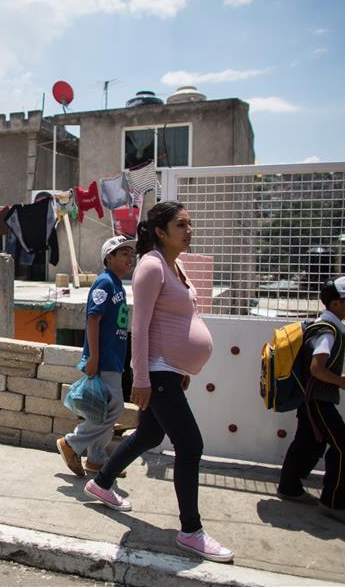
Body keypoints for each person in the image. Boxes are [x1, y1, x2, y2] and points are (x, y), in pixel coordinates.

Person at [82, 201, 234, 564]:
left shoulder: (175, 265)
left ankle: (101, 483)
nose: (189, 230)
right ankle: (191, 531)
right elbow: (141, 325)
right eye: (181, 225)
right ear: (161, 232)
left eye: (190, 224)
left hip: (171, 369)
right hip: (157, 371)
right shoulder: (151, 265)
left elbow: (181, 320)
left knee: (150, 435)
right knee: (190, 444)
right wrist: (143, 378)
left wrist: (185, 366)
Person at [276, 276, 345, 527]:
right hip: (318, 400)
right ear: (335, 304)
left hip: (311, 399)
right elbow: (317, 367)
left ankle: (289, 486)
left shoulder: (324, 327)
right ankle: (333, 501)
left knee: (308, 443)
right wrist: (339, 381)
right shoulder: (327, 331)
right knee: (344, 448)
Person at [56, 235, 135, 479]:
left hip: (113, 359)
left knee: (102, 412)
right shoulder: (104, 284)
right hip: (105, 360)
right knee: (114, 410)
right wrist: (94, 358)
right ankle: (71, 443)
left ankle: (97, 459)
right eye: (124, 254)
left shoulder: (117, 284)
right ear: (108, 258)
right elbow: (93, 319)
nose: (130, 258)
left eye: (131, 254)